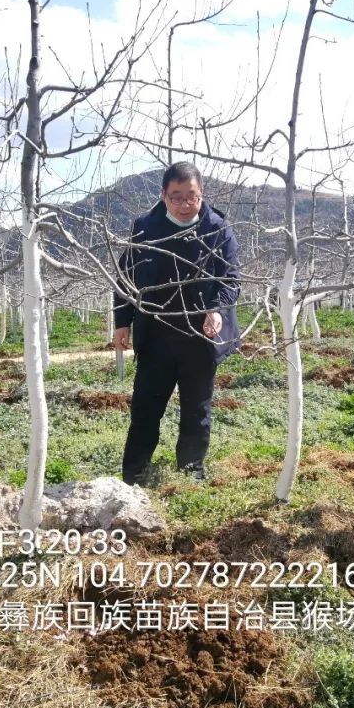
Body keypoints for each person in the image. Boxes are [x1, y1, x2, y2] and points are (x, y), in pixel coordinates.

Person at [113, 161, 240, 485]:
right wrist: (122, 321)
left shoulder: (217, 229)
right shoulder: (145, 228)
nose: (185, 204)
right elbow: (125, 279)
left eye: (192, 196)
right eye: (176, 196)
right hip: (156, 338)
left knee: (197, 412)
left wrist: (216, 310)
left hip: (201, 338)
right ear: (163, 195)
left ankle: (190, 474)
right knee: (145, 410)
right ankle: (135, 475)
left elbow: (230, 280)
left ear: (202, 194)